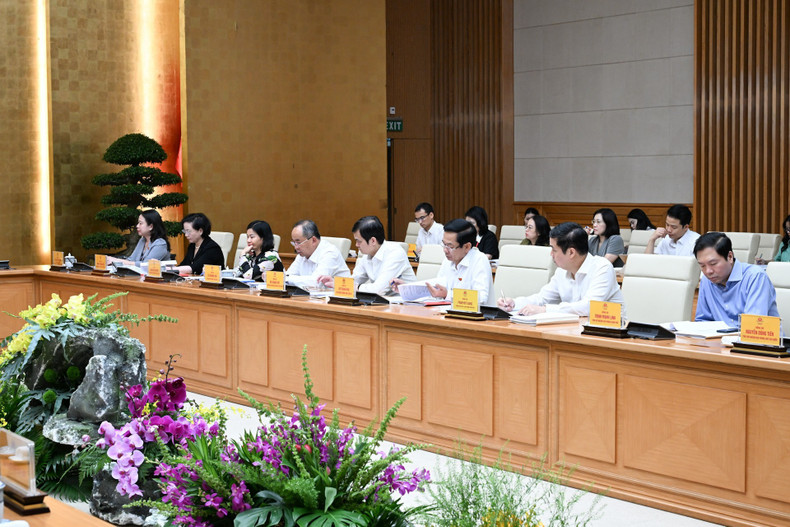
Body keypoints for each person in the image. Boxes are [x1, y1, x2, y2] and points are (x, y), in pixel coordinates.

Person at [498, 222, 625, 316]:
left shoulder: (602, 268)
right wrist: (514, 303)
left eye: (554, 249)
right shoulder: (562, 271)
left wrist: (545, 310)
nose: (551, 254)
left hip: (608, 336)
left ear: (571, 252)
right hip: (574, 331)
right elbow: (542, 298)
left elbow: (589, 307)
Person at [396, 218, 493, 304]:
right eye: (444, 244)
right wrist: (407, 288)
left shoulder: (479, 260)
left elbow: (481, 298)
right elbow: (437, 288)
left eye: (450, 246)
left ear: (467, 246)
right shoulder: (448, 260)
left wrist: (448, 294)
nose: (445, 250)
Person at [694, 232, 779, 326]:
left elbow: (754, 325)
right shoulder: (706, 280)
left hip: (758, 339)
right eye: (702, 266)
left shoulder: (755, 277)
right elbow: (702, 321)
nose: (708, 271)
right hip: (719, 340)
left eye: (713, 263)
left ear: (730, 257)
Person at [319, 216, 415, 293]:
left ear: (373, 240)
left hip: (408, 305)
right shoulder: (367, 255)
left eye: (359, 241)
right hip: (384, 304)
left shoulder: (395, 253)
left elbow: (379, 289)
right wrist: (335, 282)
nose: (356, 245)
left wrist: (355, 287)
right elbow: (353, 280)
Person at [286, 219, 350, 288]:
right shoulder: (302, 254)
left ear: (313, 240)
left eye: (298, 242)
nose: (296, 247)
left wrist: (289, 279)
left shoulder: (330, 253)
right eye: (294, 242)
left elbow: (316, 283)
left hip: (336, 297)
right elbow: (287, 276)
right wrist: (288, 278)